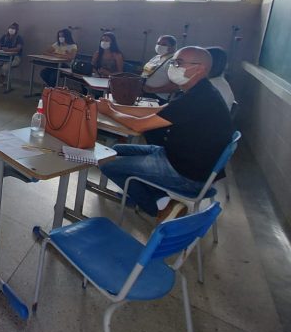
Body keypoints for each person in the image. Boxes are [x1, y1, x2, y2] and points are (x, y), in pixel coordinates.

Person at [98, 46, 233, 221]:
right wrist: (114, 107)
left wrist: (109, 112)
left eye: (179, 63)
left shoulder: (198, 99)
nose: (173, 67)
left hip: (187, 174)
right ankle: (162, 201)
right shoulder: (200, 90)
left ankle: (159, 209)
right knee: (116, 149)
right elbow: (157, 111)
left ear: (200, 68)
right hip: (178, 157)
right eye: (173, 62)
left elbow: (139, 126)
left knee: (107, 164)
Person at [141, 35, 179, 102]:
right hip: (144, 92)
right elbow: (146, 73)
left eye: (164, 44)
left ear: (173, 47)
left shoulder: (173, 61)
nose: (159, 46)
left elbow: (175, 86)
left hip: (158, 97)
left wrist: (151, 90)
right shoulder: (156, 57)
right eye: (158, 43)